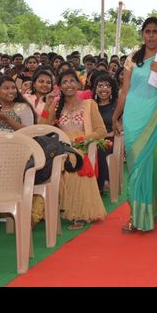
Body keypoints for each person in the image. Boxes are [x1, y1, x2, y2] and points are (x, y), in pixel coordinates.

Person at [112, 17, 157, 233]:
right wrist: (116, 116)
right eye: (147, 31)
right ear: (142, 34)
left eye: (155, 32)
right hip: (133, 116)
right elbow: (125, 91)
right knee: (135, 165)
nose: (151, 35)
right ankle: (140, 211)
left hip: (155, 117)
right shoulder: (132, 59)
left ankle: (146, 212)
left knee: (153, 164)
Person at [39, 69, 107, 229]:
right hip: (61, 146)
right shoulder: (56, 105)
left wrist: (82, 140)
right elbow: (42, 127)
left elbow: (101, 131)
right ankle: (41, 210)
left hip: (80, 146)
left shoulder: (89, 105)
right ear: (59, 87)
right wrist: (47, 105)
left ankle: (79, 213)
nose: (68, 84)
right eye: (64, 82)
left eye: (72, 81)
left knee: (74, 159)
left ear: (78, 84)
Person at [92, 74, 118, 192]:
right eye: (100, 86)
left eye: (107, 86)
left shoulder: (116, 106)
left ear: (112, 89)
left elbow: (122, 125)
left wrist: (108, 134)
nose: (104, 89)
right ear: (95, 89)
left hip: (110, 138)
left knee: (100, 149)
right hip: (92, 137)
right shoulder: (90, 105)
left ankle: (100, 185)